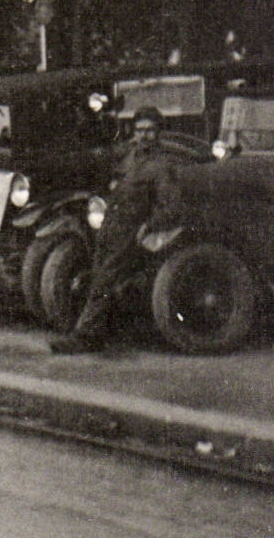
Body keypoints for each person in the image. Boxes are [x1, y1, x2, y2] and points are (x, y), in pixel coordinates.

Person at [51, 106, 182, 353]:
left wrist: (147, 227)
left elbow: (170, 207)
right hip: (111, 227)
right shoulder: (130, 157)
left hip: (131, 232)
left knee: (104, 280)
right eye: (140, 130)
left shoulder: (162, 166)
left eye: (150, 131)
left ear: (159, 133)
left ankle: (85, 336)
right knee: (98, 276)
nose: (144, 136)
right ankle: (97, 332)